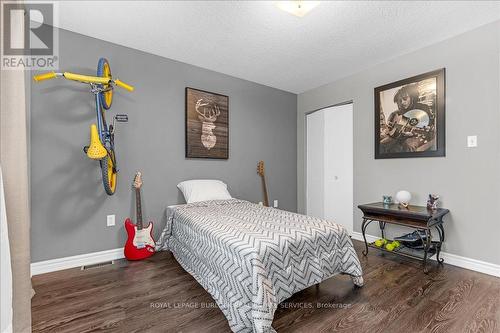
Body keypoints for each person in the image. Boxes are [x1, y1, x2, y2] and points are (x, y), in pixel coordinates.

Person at [380, 84, 434, 153]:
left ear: (412, 97)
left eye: (405, 99)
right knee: (382, 144)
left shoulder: (423, 108)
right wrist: (388, 130)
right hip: (400, 135)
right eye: (400, 100)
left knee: (407, 145)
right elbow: (394, 130)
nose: (402, 102)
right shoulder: (398, 112)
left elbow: (428, 125)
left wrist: (412, 133)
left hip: (417, 135)